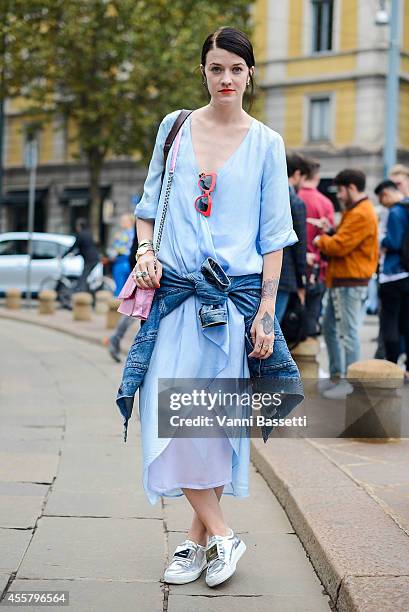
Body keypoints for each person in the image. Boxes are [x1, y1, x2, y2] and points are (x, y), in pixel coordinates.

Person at [118, 27, 301, 588]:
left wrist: (267, 313)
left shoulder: (267, 142)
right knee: (166, 417)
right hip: (175, 300)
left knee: (210, 426)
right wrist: (146, 249)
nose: (226, 79)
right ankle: (223, 534)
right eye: (216, 68)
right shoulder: (174, 128)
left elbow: (275, 237)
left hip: (234, 303)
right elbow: (147, 206)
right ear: (204, 71)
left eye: (236, 70)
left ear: (250, 75)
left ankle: (197, 544)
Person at [314, 169, 378, 398]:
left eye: (340, 190)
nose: (338, 196)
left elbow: (340, 246)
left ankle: (351, 384)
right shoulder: (355, 210)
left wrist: (320, 239)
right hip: (342, 280)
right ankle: (336, 377)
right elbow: (345, 238)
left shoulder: (361, 213)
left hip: (350, 282)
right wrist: (330, 230)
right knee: (331, 329)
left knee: (347, 333)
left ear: (351, 187)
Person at [374, 180, 409, 380]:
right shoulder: (407, 207)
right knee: (406, 322)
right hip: (407, 273)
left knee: (390, 323)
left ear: (387, 193)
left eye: (381, 199)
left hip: (393, 274)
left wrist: (381, 239)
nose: (383, 203)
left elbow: (393, 241)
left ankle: (392, 366)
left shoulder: (394, 212)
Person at [298, 159, 335, 336]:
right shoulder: (326, 203)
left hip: (292, 268)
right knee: (312, 317)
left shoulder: (293, 197)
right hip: (317, 269)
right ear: (317, 177)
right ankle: (309, 360)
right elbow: (330, 237)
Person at [275, 152, 308, 323]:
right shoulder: (295, 202)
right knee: (273, 327)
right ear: (296, 175)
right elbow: (300, 245)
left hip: (257, 271)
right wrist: (302, 282)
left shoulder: (267, 195)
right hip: (285, 275)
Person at [105, 228, 139, 362]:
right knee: (135, 311)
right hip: (144, 271)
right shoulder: (147, 216)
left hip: (140, 268)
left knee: (134, 311)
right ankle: (116, 339)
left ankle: (116, 338)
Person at [65, 218, 100, 292]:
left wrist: (63, 255)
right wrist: (75, 254)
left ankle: (82, 294)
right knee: (85, 277)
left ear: (79, 226)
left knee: (83, 279)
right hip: (94, 258)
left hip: (89, 260)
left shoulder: (80, 235)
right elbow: (85, 248)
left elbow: (73, 247)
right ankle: (86, 291)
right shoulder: (89, 233)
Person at [109, 214, 135, 296]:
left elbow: (119, 249)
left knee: (120, 287)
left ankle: (117, 306)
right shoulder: (133, 232)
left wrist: (116, 240)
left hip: (123, 261)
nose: (121, 222)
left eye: (124, 221)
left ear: (130, 222)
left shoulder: (125, 234)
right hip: (129, 261)